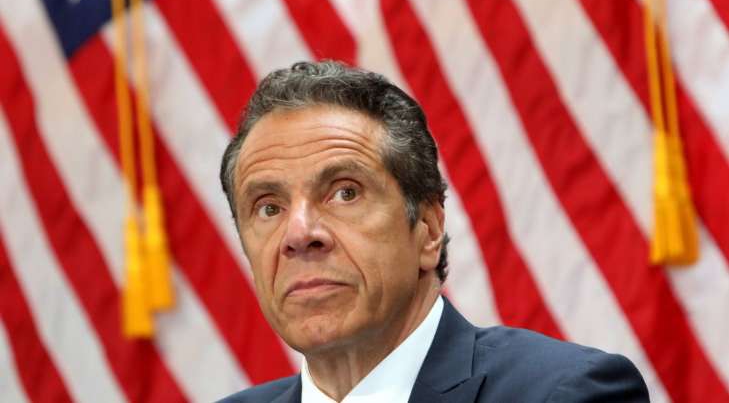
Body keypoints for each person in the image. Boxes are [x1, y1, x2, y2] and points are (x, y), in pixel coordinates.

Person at [217, 61, 649, 403]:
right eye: (269, 207)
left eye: (345, 193)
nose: (299, 233)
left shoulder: (566, 393)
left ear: (428, 229)